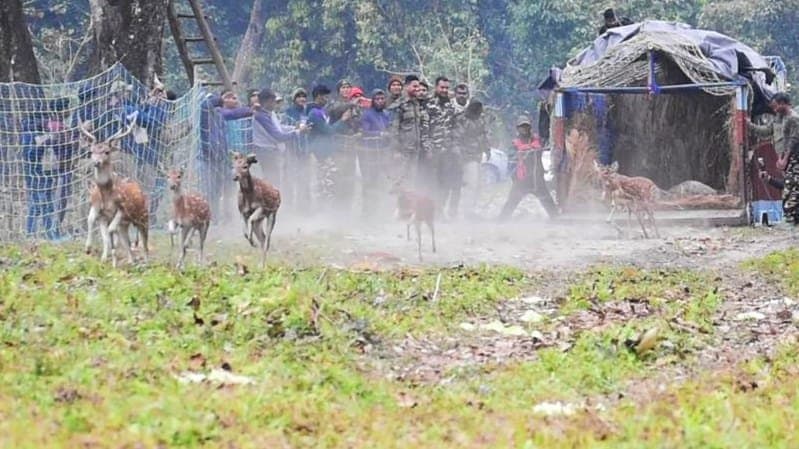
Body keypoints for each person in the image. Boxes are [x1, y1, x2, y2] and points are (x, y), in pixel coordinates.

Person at [748, 92, 799, 224]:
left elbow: (793, 140)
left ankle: (792, 221)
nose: (774, 109)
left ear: (783, 103)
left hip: (793, 158)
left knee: (790, 193)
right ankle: (792, 221)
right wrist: (749, 125)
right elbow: (766, 131)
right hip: (784, 159)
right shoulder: (778, 118)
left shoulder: (793, 119)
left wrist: (785, 159)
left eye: (776, 106)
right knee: (790, 187)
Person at [498, 115, 559, 220]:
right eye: (522, 127)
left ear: (530, 127)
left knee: (547, 200)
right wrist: (520, 154)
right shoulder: (515, 144)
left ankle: (556, 219)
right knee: (511, 202)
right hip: (522, 180)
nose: (524, 129)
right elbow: (512, 160)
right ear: (518, 129)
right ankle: (501, 221)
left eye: (526, 126)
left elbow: (545, 137)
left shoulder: (537, 140)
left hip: (537, 180)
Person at [306, 84, 354, 214]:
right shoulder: (314, 113)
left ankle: (329, 213)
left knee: (329, 184)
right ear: (318, 96)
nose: (327, 99)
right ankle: (321, 214)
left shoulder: (322, 112)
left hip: (326, 153)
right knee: (322, 185)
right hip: (319, 154)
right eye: (325, 96)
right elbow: (329, 131)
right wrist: (342, 120)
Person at [425, 76, 458, 219]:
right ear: (436, 87)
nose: (444, 90)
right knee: (432, 182)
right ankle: (429, 210)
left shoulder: (450, 106)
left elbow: (454, 127)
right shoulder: (428, 104)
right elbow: (424, 128)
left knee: (446, 182)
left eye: (447, 88)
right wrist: (428, 148)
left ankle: (440, 210)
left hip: (447, 151)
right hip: (433, 150)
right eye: (442, 87)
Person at [452, 100, 489, 219]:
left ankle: (470, 210)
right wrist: (458, 155)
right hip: (465, 156)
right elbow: (456, 138)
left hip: (477, 155)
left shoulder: (480, 119)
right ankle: (464, 212)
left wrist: (487, 149)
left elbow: (483, 135)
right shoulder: (462, 120)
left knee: (476, 185)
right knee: (468, 185)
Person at [393, 75, 429, 190]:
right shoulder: (399, 105)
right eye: (414, 86)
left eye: (418, 86)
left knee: (411, 181)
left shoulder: (417, 104)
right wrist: (396, 150)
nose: (417, 89)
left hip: (415, 149)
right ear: (406, 86)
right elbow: (394, 129)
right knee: (399, 180)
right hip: (403, 150)